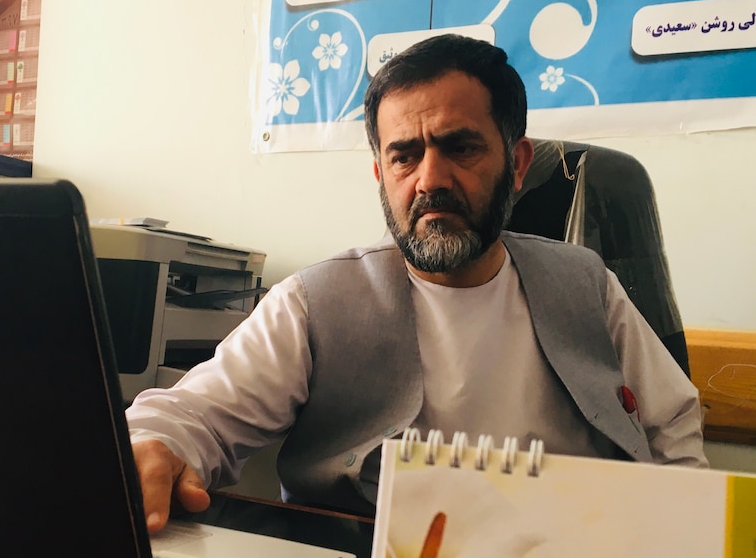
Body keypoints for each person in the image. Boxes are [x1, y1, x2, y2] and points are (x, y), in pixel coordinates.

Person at [126, 34, 707, 533]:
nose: (431, 179)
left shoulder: (589, 287)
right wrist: (157, 443)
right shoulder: (319, 302)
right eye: (404, 156)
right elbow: (193, 414)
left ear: (519, 162)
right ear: (381, 174)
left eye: (460, 147)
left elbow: (671, 435)